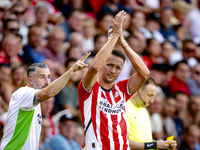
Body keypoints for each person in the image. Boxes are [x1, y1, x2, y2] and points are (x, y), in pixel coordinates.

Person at [78, 11, 150, 150]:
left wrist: (122, 42)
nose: (113, 71)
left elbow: (144, 73)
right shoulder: (89, 88)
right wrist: (113, 38)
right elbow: (93, 68)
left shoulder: (121, 89)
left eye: (118, 68)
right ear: (103, 65)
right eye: (110, 65)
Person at [0, 52, 90, 150]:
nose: (47, 81)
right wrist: (71, 71)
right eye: (42, 77)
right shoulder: (23, 93)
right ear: (31, 80)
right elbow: (49, 93)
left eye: (49, 77)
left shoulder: (36, 104)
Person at [126, 77, 177, 150]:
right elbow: (124, 142)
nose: (152, 101)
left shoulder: (144, 109)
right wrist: (154, 145)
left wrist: (163, 144)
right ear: (137, 90)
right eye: (149, 95)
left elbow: (145, 141)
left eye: (154, 96)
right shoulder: (124, 108)